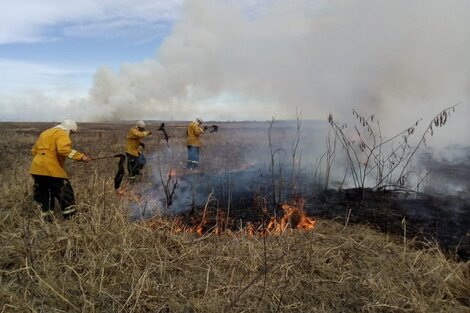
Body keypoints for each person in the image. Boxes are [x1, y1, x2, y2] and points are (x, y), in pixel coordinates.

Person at [29, 119, 91, 221]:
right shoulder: (62, 133)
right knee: (65, 193)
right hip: (50, 169)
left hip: (36, 168)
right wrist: (81, 157)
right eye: (71, 132)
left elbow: (34, 150)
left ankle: (47, 220)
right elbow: (63, 150)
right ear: (69, 129)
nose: (70, 135)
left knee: (45, 195)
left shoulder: (45, 133)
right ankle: (71, 219)